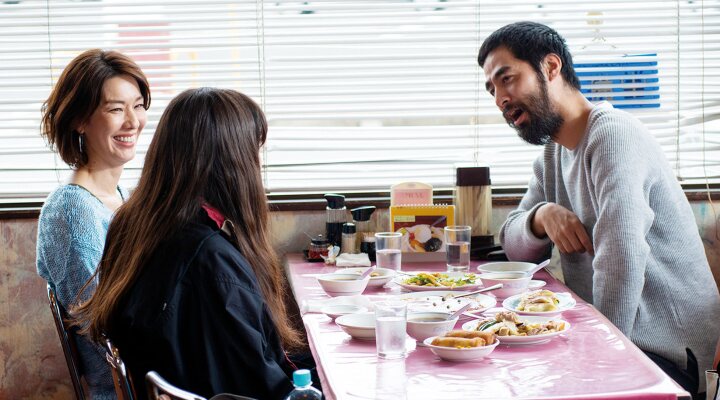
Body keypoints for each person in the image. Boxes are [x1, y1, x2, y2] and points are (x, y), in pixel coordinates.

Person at [478, 21, 720, 398]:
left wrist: (603, 362)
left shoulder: (612, 135)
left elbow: (620, 258)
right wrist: (541, 217)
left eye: (507, 78)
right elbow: (513, 246)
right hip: (611, 336)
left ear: (551, 68)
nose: (500, 99)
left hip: (661, 355)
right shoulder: (552, 154)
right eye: (491, 89)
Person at [73, 87, 305, 400]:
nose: (257, 164)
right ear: (232, 162)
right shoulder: (210, 261)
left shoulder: (135, 223)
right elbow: (258, 386)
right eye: (254, 151)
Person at [36, 49, 150, 399]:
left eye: (139, 105)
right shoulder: (73, 211)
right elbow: (103, 330)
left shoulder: (119, 194)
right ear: (79, 120)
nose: (133, 121)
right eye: (116, 109)